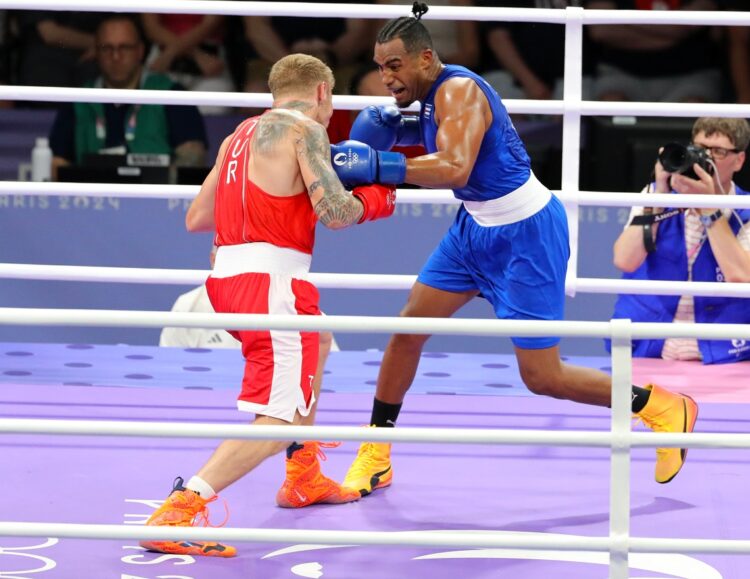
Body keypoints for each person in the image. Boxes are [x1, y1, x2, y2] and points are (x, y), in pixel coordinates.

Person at [328, 3, 698, 499]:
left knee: (543, 378)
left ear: (425, 59)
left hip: (527, 235)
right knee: (407, 332)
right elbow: (442, 143)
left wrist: (380, 164)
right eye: (379, 66)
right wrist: (398, 131)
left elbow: (456, 168)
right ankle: (375, 451)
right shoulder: (433, 98)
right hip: (473, 231)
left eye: (394, 65)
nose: (385, 77)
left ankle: (659, 406)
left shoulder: (459, 90)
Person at [140, 53, 397, 558]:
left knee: (318, 338)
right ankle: (179, 508)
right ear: (322, 92)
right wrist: (378, 197)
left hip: (226, 281)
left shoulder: (239, 136)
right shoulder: (305, 130)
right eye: (331, 102)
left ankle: (304, 476)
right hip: (272, 284)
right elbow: (336, 212)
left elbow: (197, 217)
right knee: (278, 420)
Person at [611, 117, 750, 363]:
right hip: (650, 345)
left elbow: (741, 276)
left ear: (739, 160)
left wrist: (709, 209)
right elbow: (624, 260)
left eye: (717, 151)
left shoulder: (744, 209)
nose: (706, 158)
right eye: (700, 149)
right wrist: (660, 197)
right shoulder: (655, 195)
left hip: (721, 352)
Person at [48, 15, 208, 180]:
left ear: (140, 51)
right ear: (96, 52)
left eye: (124, 47)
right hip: (93, 202)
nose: (116, 56)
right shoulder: (78, 101)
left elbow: (193, 158)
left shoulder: (171, 94)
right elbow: (57, 164)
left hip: (157, 202)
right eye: (107, 48)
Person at [585, 0, 722, 103]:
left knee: (694, 108)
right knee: (611, 103)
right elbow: (601, 30)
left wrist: (620, 18)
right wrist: (672, 34)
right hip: (622, 74)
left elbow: (686, 24)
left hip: (690, 76)